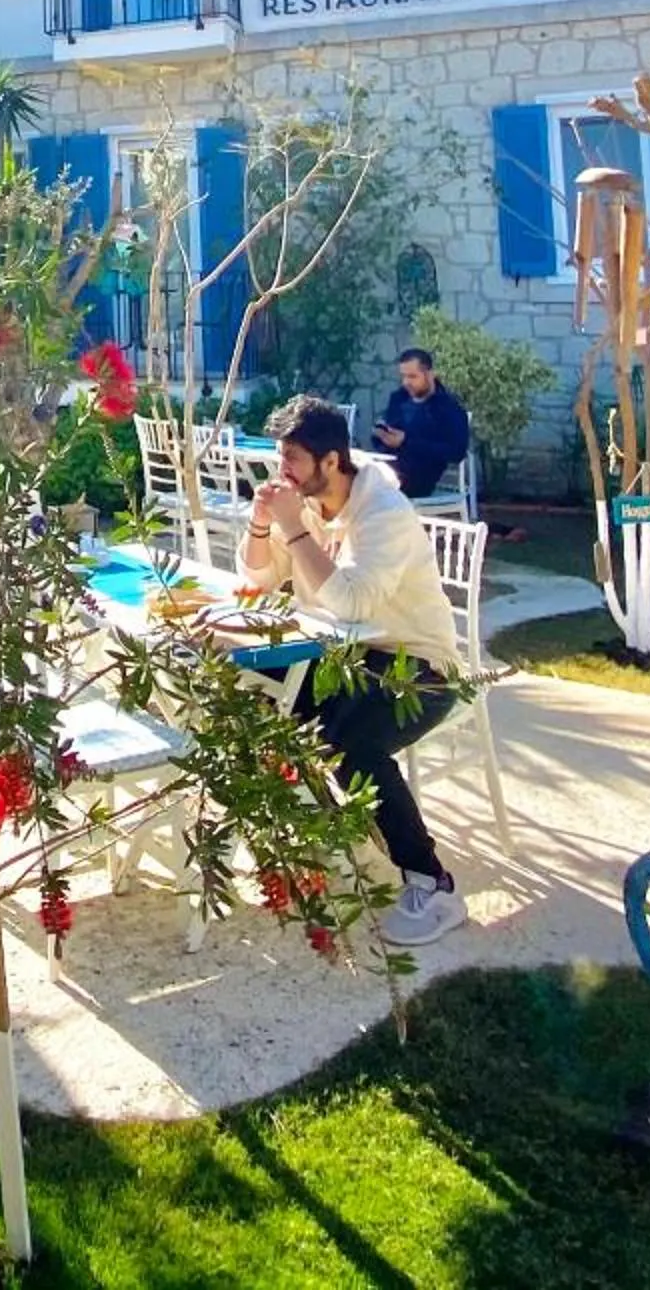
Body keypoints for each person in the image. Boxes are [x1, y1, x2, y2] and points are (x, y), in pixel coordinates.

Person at [240, 396, 470, 947]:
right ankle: (334, 838)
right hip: (346, 658)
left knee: (351, 743)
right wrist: (261, 523)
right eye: (281, 458)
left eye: (292, 459)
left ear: (331, 461)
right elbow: (258, 580)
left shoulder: (384, 513)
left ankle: (432, 883)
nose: (283, 472)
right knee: (261, 699)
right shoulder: (310, 510)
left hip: (419, 669)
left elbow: (354, 602)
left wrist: (294, 530)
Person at [372, 347, 472, 502]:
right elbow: (389, 435)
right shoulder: (399, 399)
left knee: (368, 491)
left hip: (420, 475)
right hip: (390, 467)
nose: (406, 382)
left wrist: (406, 442)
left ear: (430, 374)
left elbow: (457, 452)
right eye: (403, 376)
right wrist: (381, 436)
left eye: (412, 377)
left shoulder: (448, 408)